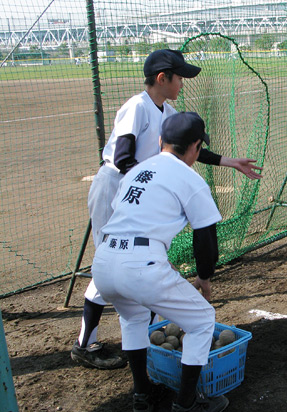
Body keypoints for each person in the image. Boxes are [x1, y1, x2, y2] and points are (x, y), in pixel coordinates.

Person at [71, 49, 262, 370]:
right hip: (116, 188)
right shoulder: (138, 106)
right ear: (162, 78)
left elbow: (190, 149)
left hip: (137, 190)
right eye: (180, 78)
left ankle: (140, 338)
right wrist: (156, 183)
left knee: (129, 263)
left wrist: (231, 162)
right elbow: (122, 157)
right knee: (115, 259)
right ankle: (84, 344)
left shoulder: (166, 111)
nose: (183, 84)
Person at [92, 112, 233, 412]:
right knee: (201, 320)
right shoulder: (191, 179)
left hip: (104, 260)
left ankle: (143, 394)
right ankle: (186, 405)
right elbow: (206, 238)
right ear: (195, 147)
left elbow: (128, 219)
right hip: (140, 266)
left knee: (133, 318)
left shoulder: (137, 171)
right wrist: (204, 279)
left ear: (160, 142)